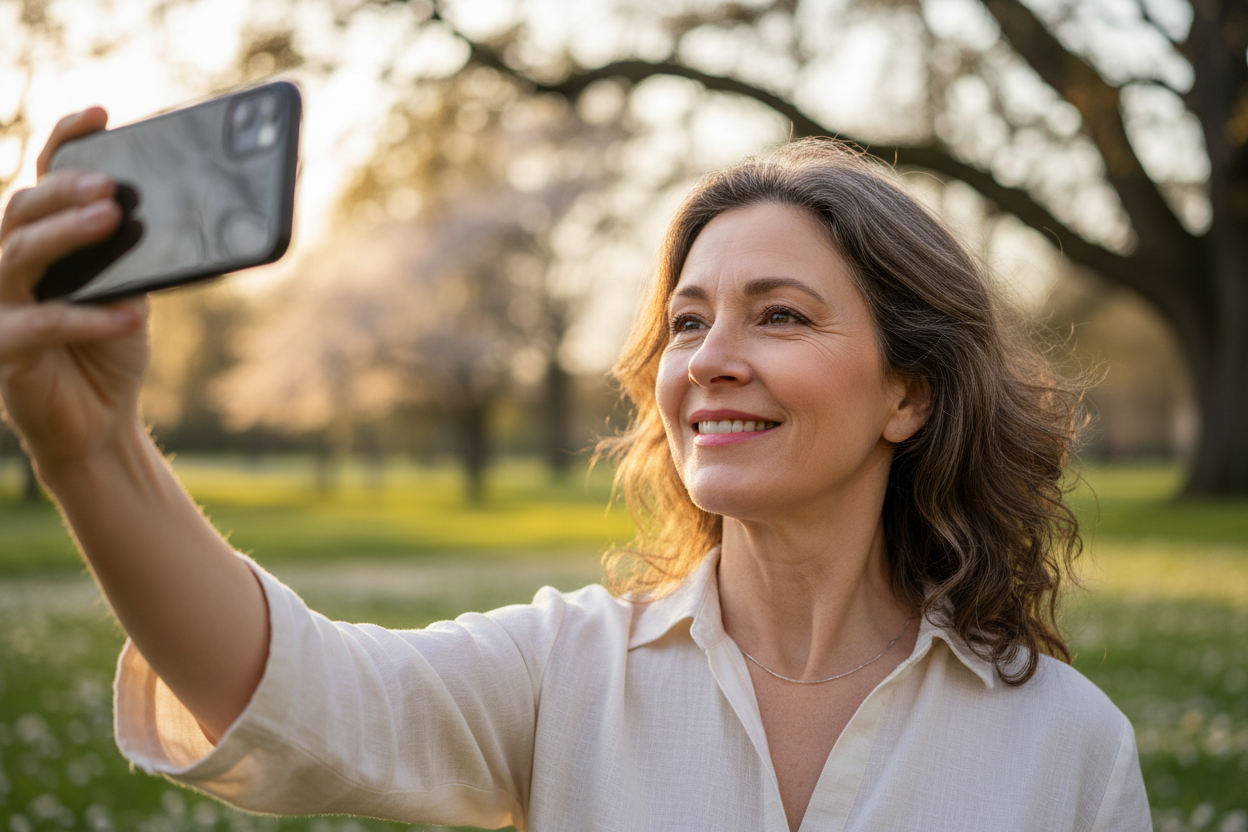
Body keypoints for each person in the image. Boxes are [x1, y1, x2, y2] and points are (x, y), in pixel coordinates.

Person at [0, 109, 1151, 831]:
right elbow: (296, 689)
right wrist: (91, 449)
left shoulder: (1065, 744)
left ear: (910, 392)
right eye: (689, 321)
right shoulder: (566, 672)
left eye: (780, 316)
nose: (712, 361)